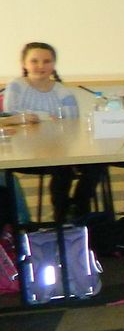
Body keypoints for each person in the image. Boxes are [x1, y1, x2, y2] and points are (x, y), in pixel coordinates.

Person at [5, 42, 98, 221]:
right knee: (62, 170)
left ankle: (79, 205)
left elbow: (71, 120)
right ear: (24, 64)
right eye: (34, 61)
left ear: (53, 64)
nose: (41, 66)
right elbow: (12, 114)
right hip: (25, 150)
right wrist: (44, 116)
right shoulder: (16, 87)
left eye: (46, 61)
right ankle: (61, 217)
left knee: (95, 166)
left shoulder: (63, 91)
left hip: (58, 147)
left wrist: (36, 117)